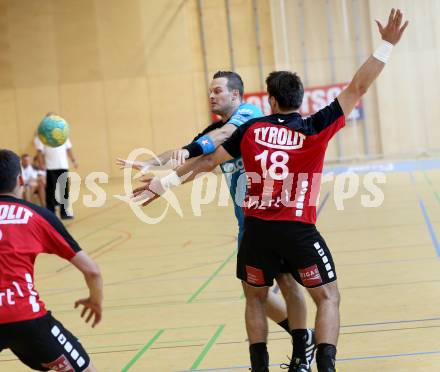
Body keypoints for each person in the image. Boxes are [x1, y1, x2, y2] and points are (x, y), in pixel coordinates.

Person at [131, 9, 408, 372]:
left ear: (271, 101)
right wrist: (387, 44)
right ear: (299, 99)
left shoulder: (251, 130)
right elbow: (358, 87)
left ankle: (259, 367)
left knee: (255, 300)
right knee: (327, 297)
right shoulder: (313, 127)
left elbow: (208, 161)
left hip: (256, 230)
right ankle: (322, 365)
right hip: (296, 230)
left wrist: (164, 182)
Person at [118, 71, 314, 365]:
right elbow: (195, 157)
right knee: (253, 292)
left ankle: (301, 345)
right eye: (210, 91)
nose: (212, 96)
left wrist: (178, 163)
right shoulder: (217, 128)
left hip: (271, 217)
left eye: (218, 91)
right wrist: (152, 167)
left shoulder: (249, 115)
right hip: (247, 224)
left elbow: (219, 139)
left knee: (284, 283)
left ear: (236, 95)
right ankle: (302, 335)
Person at [0, 149, 103, 371]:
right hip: (27, 319)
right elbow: (92, 271)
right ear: (20, 180)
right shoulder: (36, 215)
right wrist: (95, 300)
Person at [35, 114, 78, 220]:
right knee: (51, 191)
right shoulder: (42, 136)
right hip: (50, 167)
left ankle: (65, 212)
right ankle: (51, 212)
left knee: (64, 190)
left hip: (63, 166)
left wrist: (73, 160)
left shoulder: (62, 134)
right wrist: (41, 164)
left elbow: (68, 149)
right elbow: (39, 152)